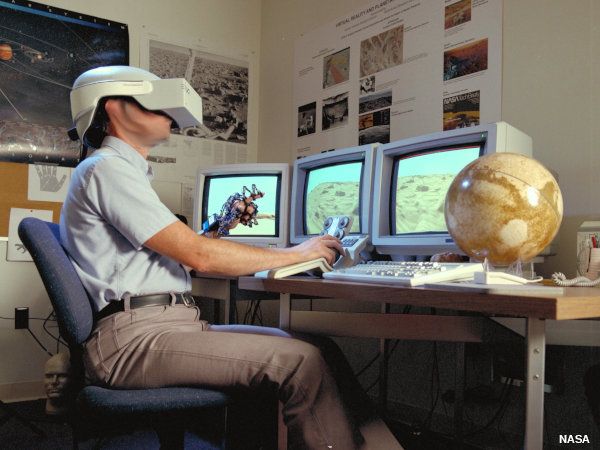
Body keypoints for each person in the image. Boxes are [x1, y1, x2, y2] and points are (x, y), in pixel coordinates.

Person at [60, 66, 402, 449]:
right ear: (116, 110)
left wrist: (216, 231)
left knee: (321, 349)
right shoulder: (106, 169)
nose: (169, 115)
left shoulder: (121, 173)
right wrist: (298, 252)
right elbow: (199, 257)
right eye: (155, 105)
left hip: (165, 327)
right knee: (300, 362)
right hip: (135, 341)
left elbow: (175, 257)